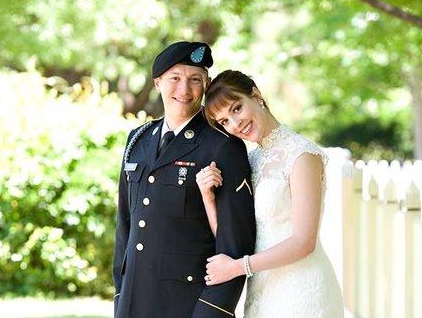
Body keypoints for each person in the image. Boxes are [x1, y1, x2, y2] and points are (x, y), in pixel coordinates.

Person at [112, 43, 256, 318]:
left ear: (207, 84)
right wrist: (121, 293)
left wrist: (213, 310)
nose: (184, 90)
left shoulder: (222, 146)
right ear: (157, 83)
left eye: (195, 80)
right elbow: (125, 224)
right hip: (134, 299)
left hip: (189, 305)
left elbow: (235, 243)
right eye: (175, 78)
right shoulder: (138, 140)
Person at [196, 70, 344, 317]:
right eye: (224, 121)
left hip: (303, 289)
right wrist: (208, 197)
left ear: (256, 95)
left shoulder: (302, 155)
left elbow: (304, 242)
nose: (235, 124)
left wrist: (238, 267)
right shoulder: (250, 161)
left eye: (236, 108)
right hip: (263, 289)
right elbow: (232, 233)